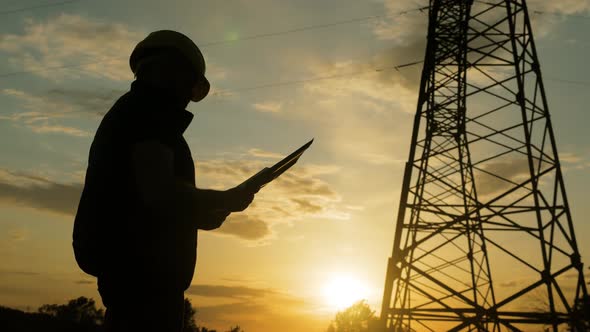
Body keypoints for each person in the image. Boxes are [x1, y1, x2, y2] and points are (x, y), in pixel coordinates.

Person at [72, 30, 257, 332]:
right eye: (187, 84)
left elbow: (160, 204)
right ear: (168, 71)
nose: (187, 97)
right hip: (142, 289)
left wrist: (212, 212)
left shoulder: (147, 119)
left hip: (146, 286)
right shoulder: (145, 115)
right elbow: (159, 192)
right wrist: (224, 198)